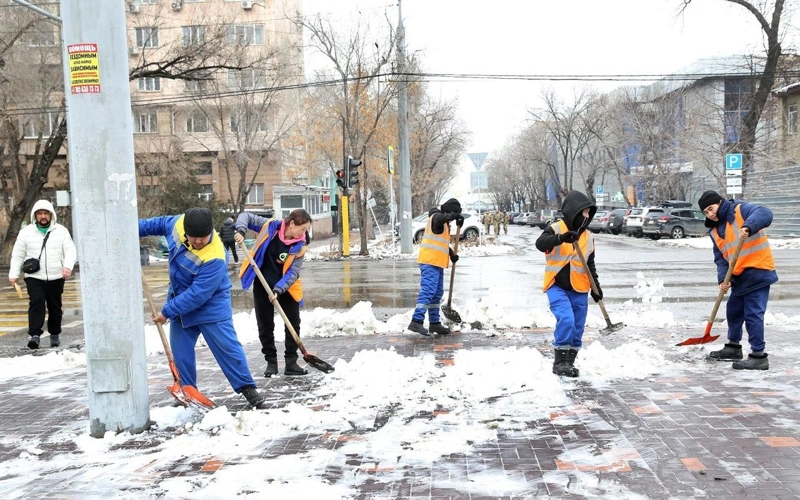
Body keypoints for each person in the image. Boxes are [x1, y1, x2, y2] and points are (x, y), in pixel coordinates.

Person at [138, 207, 266, 408]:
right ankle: (188, 392)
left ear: (211, 232)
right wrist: (129, 231)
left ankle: (247, 388)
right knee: (180, 353)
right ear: (185, 230)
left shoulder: (216, 255)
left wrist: (167, 311)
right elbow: (155, 224)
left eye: (202, 238)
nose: (198, 241)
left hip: (211, 306)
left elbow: (198, 294)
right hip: (180, 301)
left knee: (227, 348)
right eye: (193, 237)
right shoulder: (177, 224)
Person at [699, 190, 778, 370]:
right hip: (739, 276)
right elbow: (720, 258)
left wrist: (748, 226)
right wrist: (723, 279)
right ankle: (733, 347)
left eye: (711, 208)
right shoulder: (714, 231)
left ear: (720, 202)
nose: (710, 214)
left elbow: (765, 213)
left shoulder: (740, 210)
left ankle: (758, 355)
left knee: (753, 314)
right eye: (706, 212)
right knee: (733, 311)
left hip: (758, 270)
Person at [235, 209, 311, 377]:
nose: (304, 233)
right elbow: (245, 216)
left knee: (293, 324)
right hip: (262, 283)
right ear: (292, 224)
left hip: (286, 287)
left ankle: (291, 362)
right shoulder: (270, 227)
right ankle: (271, 362)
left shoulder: (300, 246)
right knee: (265, 325)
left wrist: (278, 289)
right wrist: (241, 230)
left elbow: (293, 273)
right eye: (303, 229)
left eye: (306, 230)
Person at [535, 191, 601, 378]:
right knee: (566, 319)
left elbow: (590, 264)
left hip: (580, 287)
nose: (586, 217)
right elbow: (540, 244)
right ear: (574, 211)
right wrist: (562, 238)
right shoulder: (556, 228)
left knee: (578, 326)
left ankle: (569, 362)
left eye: (589, 213)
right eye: (584, 212)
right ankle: (559, 362)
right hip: (556, 285)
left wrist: (596, 288)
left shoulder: (588, 236)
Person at [9, 200, 76, 349]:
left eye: (46, 213)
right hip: (34, 276)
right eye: (40, 213)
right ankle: (34, 335)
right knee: (36, 302)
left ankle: (54, 334)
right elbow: (18, 254)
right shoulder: (26, 232)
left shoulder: (61, 231)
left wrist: (67, 267)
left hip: (56, 276)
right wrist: (13, 274)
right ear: (35, 215)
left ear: (51, 215)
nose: (43, 216)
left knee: (55, 306)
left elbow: (70, 250)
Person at [408, 199, 464, 336]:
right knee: (428, 291)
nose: (450, 220)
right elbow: (442, 218)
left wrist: (451, 253)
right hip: (429, 262)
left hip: (437, 262)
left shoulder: (443, 223)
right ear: (449, 212)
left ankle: (434, 323)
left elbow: (440, 243)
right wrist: (454, 216)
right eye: (452, 214)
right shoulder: (436, 217)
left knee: (437, 294)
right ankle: (416, 321)